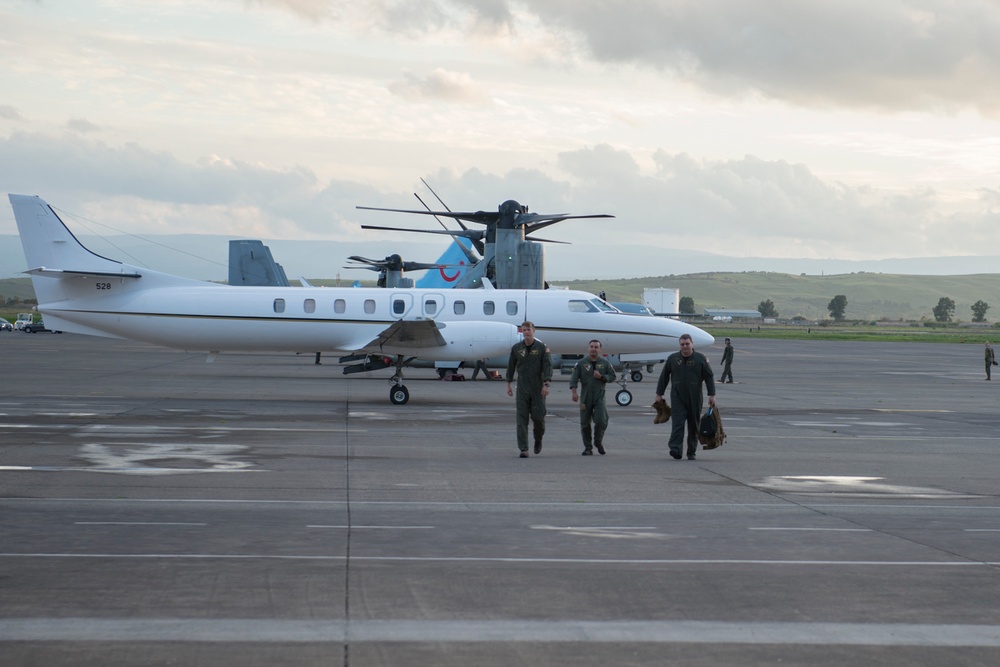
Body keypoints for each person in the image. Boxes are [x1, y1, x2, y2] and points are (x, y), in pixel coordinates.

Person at [655, 333, 716, 460]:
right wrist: (659, 394)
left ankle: (691, 451)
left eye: (687, 344)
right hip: (677, 396)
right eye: (682, 344)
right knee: (678, 423)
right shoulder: (673, 359)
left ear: (692, 344)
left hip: (695, 397)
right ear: (679, 345)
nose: (685, 346)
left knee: (694, 424)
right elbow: (664, 377)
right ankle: (675, 449)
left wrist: (712, 395)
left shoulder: (700, 359)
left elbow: (709, 377)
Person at [506, 321, 553, 458]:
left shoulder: (542, 348)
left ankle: (538, 439)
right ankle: (523, 448)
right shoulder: (516, 348)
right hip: (522, 387)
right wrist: (508, 383)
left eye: (528, 330)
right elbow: (511, 366)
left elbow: (547, 366)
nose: (526, 332)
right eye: (524, 330)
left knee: (538, 418)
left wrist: (546, 384)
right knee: (521, 419)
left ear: (534, 331)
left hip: (538, 388)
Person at [570, 340, 616, 455]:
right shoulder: (581, 363)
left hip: (599, 396)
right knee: (585, 423)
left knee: (601, 420)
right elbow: (574, 379)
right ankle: (588, 447)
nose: (593, 349)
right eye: (591, 347)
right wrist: (574, 392)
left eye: (596, 347)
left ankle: (598, 441)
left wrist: (601, 377)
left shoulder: (605, 363)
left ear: (600, 349)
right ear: (588, 348)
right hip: (585, 396)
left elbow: (612, 376)